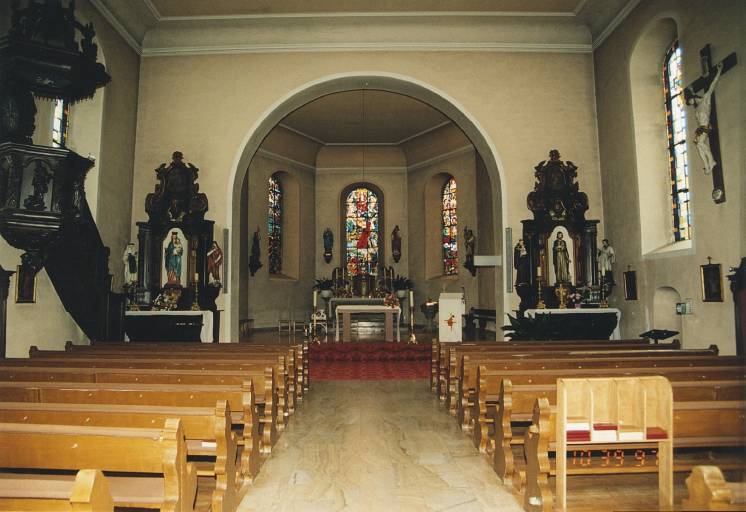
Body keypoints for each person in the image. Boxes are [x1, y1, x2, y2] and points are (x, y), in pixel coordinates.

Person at [685, 62, 723, 175]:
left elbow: (712, 84)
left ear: (695, 98)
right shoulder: (697, 109)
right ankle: (708, 164)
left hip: (706, 126)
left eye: (691, 101)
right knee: (699, 146)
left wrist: (719, 71)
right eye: (690, 102)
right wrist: (691, 90)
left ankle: (710, 163)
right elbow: (691, 95)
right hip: (701, 128)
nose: (692, 103)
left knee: (700, 144)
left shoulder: (705, 99)